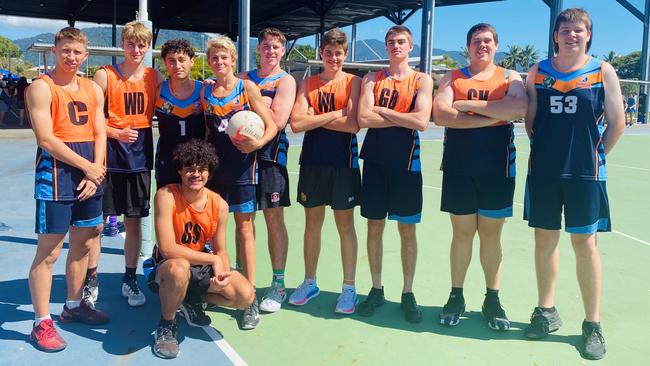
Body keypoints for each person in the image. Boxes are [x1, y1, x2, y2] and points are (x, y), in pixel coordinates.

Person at [523, 8, 624, 360]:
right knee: (544, 240)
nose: (571, 35)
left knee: (585, 245)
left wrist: (594, 156)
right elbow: (530, 122)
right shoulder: (538, 71)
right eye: (564, 30)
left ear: (588, 35)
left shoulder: (602, 71)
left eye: (578, 30)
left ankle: (592, 323)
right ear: (555, 35)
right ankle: (545, 311)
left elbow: (617, 123)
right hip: (545, 172)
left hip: (585, 173)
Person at [432, 23, 527, 330]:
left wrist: (469, 107)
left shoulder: (510, 77)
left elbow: (517, 109)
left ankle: (492, 298)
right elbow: (441, 114)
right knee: (461, 235)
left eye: (487, 41)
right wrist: (492, 116)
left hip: (497, 170)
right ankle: (456, 295)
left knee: (490, 236)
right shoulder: (452, 76)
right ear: (468, 47)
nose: (482, 45)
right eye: (476, 41)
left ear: (496, 45)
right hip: (459, 168)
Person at [26, 27, 109, 352]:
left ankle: (73, 306)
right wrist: (86, 166)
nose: (71, 57)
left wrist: (97, 169)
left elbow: (100, 131)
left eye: (77, 52)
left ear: (85, 55)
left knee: (84, 243)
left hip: (91, 171)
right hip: (57, 173)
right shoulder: (41, 87)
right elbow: (45, 138)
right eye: (65, 51)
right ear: (55, 51)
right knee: (49, 251)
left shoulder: (92, 88)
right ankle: (41, 322)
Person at [149, 139, 254, 359]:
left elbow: (221, 251)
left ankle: (192, 299)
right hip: (168, 267)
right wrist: (213, 261)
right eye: (189, 169)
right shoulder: (166, 195)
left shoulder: (219, 205)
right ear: (180, 171)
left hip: (202, 267)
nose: (196, 174)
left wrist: (222, 274)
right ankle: (166, 326)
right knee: (179, 268)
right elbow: (167, 248)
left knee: (246, 296)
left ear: (209, 173)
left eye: (202, 170)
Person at [356, 25, 433, 323]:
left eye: (401, 41)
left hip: (407, 165)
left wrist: (383, 112)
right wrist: (403, 117)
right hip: (375, 163)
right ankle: (376, 288)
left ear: (410, 46)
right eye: (390, 42)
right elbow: (363, 117)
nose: (395, 46)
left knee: (406, 230)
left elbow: (422, 121)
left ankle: (408, 292)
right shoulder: (371, 78)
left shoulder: (422, 80)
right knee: (374, 227)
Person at [202, 34, 278, 329]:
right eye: (214, 58)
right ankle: (218, 285)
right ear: (209, 62)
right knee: (214, 231)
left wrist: (257, 144)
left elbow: (271, 125)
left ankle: (250, 297)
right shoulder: (205, 92)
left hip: (243, 170)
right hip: (213, 172)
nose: (219, 62)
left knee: (245, 228)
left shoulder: (246, 88)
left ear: (233, 60)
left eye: (225, 57)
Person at [87, 21, 164, 308]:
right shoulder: (105, 75)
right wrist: (115, 132)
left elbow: (176, 99)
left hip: (140, 158)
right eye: (131, 43)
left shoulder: (154, 78)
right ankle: (90, 281)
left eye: (141, 44)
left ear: (147, 47)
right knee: (95, 226)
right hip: (108, 157)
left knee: (134, 224)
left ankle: (129, 279)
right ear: (122, 44)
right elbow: (90, 118)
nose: (136, 49)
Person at [288, 28, 362, 314]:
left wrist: (314, 118)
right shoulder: (308, 83)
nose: (333, 58)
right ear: (321, 53)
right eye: (328, 53)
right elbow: (296, 123)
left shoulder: (354, 82)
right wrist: (335, 114)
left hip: (343, 164)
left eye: (338, 53)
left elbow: (353, 124)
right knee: (311, 225)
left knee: (345, 227)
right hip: (313, 163)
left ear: (345, 55)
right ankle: (310, 282)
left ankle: (349, 288)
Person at [239, 28, 296, 313]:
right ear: (258, 49)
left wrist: (251, 100)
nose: (270, 51)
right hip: (241, 158)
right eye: (265, 46)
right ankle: (242, 278)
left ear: (282, 51)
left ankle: (278, 284)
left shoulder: (286, 81)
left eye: (275, 47)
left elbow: (279, 119)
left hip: (272, 157)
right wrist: (264, 102)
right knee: (243, 219)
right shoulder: (243, 77)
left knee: (274, 219)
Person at [155, 39, 206, 188]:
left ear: (191, 61)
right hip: (167, 160)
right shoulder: (158, 90)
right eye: (171, 61)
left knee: (196, 208)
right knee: (167, 206)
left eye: (182, 60)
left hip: (198, 163)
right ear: (165, 63)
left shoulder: (204, 89)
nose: (177, 66)